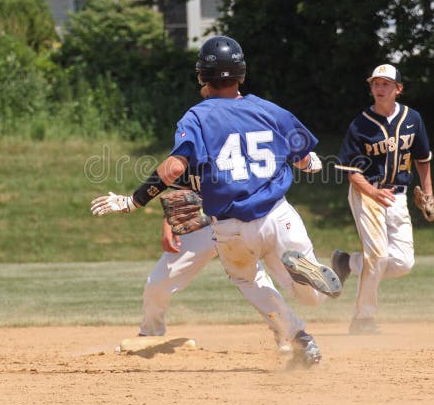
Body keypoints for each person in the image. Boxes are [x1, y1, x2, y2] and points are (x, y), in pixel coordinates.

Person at [91, 35, 341, 366]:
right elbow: (304, 158)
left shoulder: (197, 117)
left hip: (231, 227)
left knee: (246, 280)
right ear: (241, 73)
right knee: (313, 298)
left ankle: (300, 338)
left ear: (201, 76)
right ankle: (304, 271)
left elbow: (173, 168)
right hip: (278, 216)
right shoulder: (271, 111)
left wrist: (132, 201)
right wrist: (311, 163)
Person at [332, 64, 434, 334]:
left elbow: (423, 160)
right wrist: (373, 192)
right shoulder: (361, 124)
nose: (379, 88)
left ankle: (346, 263)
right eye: (375, 83)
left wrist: (429, 193)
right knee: (377, 255)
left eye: (385, 84)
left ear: (398, 89)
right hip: (368, 192)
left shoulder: (413, 119)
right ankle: (363, 319)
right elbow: (352, 173)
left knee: (403, 263)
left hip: (398, 196)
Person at [138, 170, 290, 352]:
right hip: (200, 225)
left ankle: (286, 333)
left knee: (253, 279)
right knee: (158, 283)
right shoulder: (193, 144)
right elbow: (182, 186)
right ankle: (151, 334)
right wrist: (168, 223)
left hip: (235, 222)